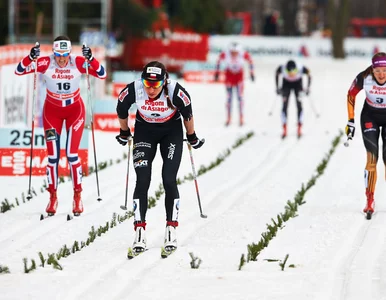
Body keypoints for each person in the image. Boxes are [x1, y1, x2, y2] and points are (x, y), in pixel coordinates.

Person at [115, 61, 204, 255]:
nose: (151, 89)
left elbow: (188, 115)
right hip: (144, 132)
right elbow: (121, 109)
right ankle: (139, 230)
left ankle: (171, 228)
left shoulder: (175, 92)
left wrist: (191, 137)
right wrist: (124, 132)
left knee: (169, 179)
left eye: (156, 85)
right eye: (147, 84)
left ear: (164, 81)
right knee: (143, 179)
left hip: (170, 132)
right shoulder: (134, 89)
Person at [15, 36, 107, 216]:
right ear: (54, 53)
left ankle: (77, 196)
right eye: (58, 55)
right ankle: (53, 197)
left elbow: (102, 74)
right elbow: (19, 71)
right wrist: (30, 57)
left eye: (65, 55)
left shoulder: (78, 62)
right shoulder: (45, 62)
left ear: (70, 53)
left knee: (72, 154)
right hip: (52, 113)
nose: (62, 59)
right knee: (53, 157)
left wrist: (91, 59)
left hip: (75, 111)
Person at [345, 52, 386, 216]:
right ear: (372, 70)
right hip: (370, 116)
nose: (382, 75)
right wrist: (351, 120)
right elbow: (351, 95)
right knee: (371, 159)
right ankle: (369, 199)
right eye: (378, 71)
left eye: (385, 71)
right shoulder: (364, 77)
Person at [214, 42, 255, 126]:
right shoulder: (226, 53)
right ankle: (228, 118)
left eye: (235, 52)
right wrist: (217, 73)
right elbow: (218, 60)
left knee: (240, 98)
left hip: (239, 77)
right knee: (229, 98)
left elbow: (250, 60)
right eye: (232, 52)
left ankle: (241, 118)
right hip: (229, 76)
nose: (234, 54)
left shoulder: (242, 53)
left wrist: (252, 73)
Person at [275, 59, 311, 138]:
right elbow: (277, 73)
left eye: (293, 72)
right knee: (284, 105)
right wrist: (277, 87)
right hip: (286, 84)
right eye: (289, 72)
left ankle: (299, 127)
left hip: (297, 84)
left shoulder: (301, 67)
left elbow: (309, 74)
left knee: (299, 105)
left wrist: (308, 88)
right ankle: (284, 128)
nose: (291, 74)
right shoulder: (282, 68)